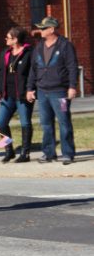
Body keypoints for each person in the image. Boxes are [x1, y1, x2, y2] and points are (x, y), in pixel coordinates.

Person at [25, 16, 79, 165]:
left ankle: (67, 153)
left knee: (64, 122)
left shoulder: (65, 45)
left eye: (43, 28)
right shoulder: (38, 47)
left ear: (52, 29)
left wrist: (72, 86)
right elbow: (33, 70)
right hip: (42, 92)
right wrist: (30, 89)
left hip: (60, 92)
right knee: (45, 124)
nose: (40, 30)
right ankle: (49, 153)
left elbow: (72, 67)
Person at [0, 27, 34, 163]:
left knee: (25, 123)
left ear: (15, 39)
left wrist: (31, 89)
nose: (6, 39)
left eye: (8, 37)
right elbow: (0, 73)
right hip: (7, 94)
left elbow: (33, 73)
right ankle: (9, 150)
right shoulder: (5, 53)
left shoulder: (29, 53)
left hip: (22, 95)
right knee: (1, 123)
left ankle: (25, 153)